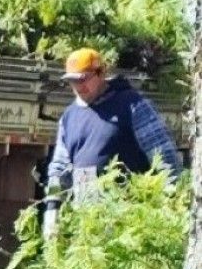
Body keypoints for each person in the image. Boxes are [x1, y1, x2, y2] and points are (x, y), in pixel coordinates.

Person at [47, 47, 182, 199]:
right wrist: (52, 210)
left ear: (101, 73)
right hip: (87, 214)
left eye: (83, 79)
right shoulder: (69, 117)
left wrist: (170, 199)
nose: (78, 86)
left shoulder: (132, 104)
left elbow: (165, 157)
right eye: (72, 81)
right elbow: (58, 168)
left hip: (130, 213)